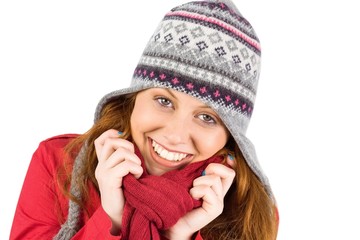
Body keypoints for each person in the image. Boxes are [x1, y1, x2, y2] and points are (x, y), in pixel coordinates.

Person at [10, 0, 279, 239]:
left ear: (230, 136)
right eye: (164, 101)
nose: (176, 135)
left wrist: (180, 235)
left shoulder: (249, 211)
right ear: (134, 99)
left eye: (207, 117)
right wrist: (112, 221)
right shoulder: (58, 162)